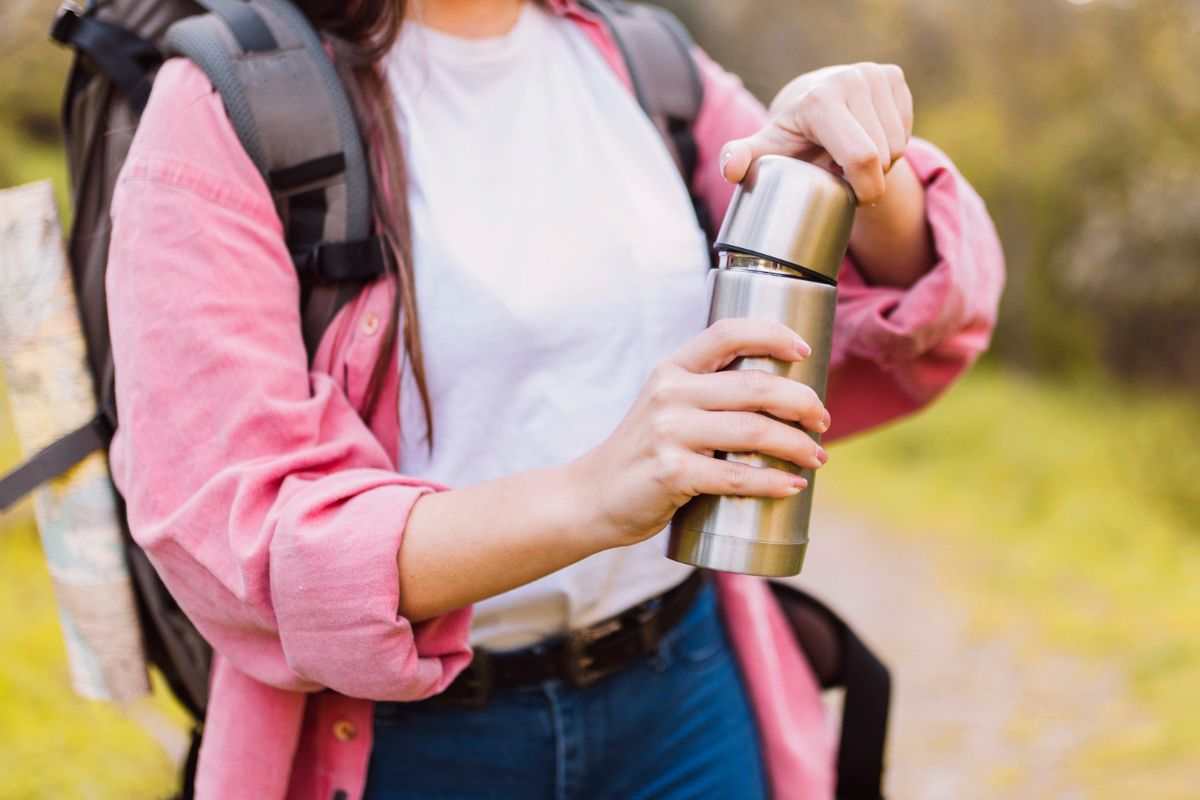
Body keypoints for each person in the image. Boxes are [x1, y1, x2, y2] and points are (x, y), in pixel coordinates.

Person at [105, 0, 1004, 796]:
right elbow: (237, 531)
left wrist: (858, 169)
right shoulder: (227, 103)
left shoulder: (642, 58)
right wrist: (590, 494)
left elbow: (898, 306)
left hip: (685, 693)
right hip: (412, 743)